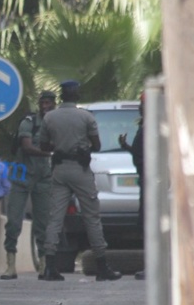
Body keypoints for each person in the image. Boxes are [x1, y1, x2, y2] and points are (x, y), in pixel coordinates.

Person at [39, 80, 121, 282]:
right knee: (91, 216)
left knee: (55, 217)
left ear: (61, 96)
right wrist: (82, 147)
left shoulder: (50, 117)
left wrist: (59, 148)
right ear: (76, 95)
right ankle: (101, 265)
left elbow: (43, 146)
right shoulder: (86, 117)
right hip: (80, 169)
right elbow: (97, 145)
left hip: (59, 169)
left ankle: (49, 266)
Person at [0, 90, 56, 280]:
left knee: (43, 223)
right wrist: (49, 153)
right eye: (43, 103)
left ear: (54, 104)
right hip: (21, 176)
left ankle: (44, 264)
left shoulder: (55, 124)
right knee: (14, 222)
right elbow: (27, 146)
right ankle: (10, 265)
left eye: (49, 103)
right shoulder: (29, 122)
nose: (46, 106)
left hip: (43, 177)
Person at [119, 92, 145, 280]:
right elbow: (139, 152)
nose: (140, 108)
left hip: (151, 178)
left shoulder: (152, 126)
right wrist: (126, 146)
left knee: (148, 221)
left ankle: (152, 265)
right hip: (147, 177)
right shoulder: (146, 125)